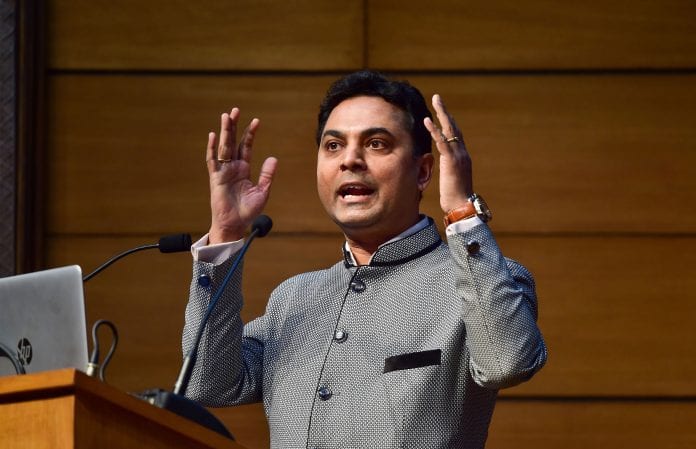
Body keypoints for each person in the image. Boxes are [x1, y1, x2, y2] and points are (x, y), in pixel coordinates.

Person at [183, 70, 547, 448]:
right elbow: (208, 384)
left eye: (376, 144)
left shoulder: (483, 279)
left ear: (423, 171)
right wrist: (225, 232)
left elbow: (507, 364)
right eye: (333, 145)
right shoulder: (292, 298)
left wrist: (461, 212)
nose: (350, 160)